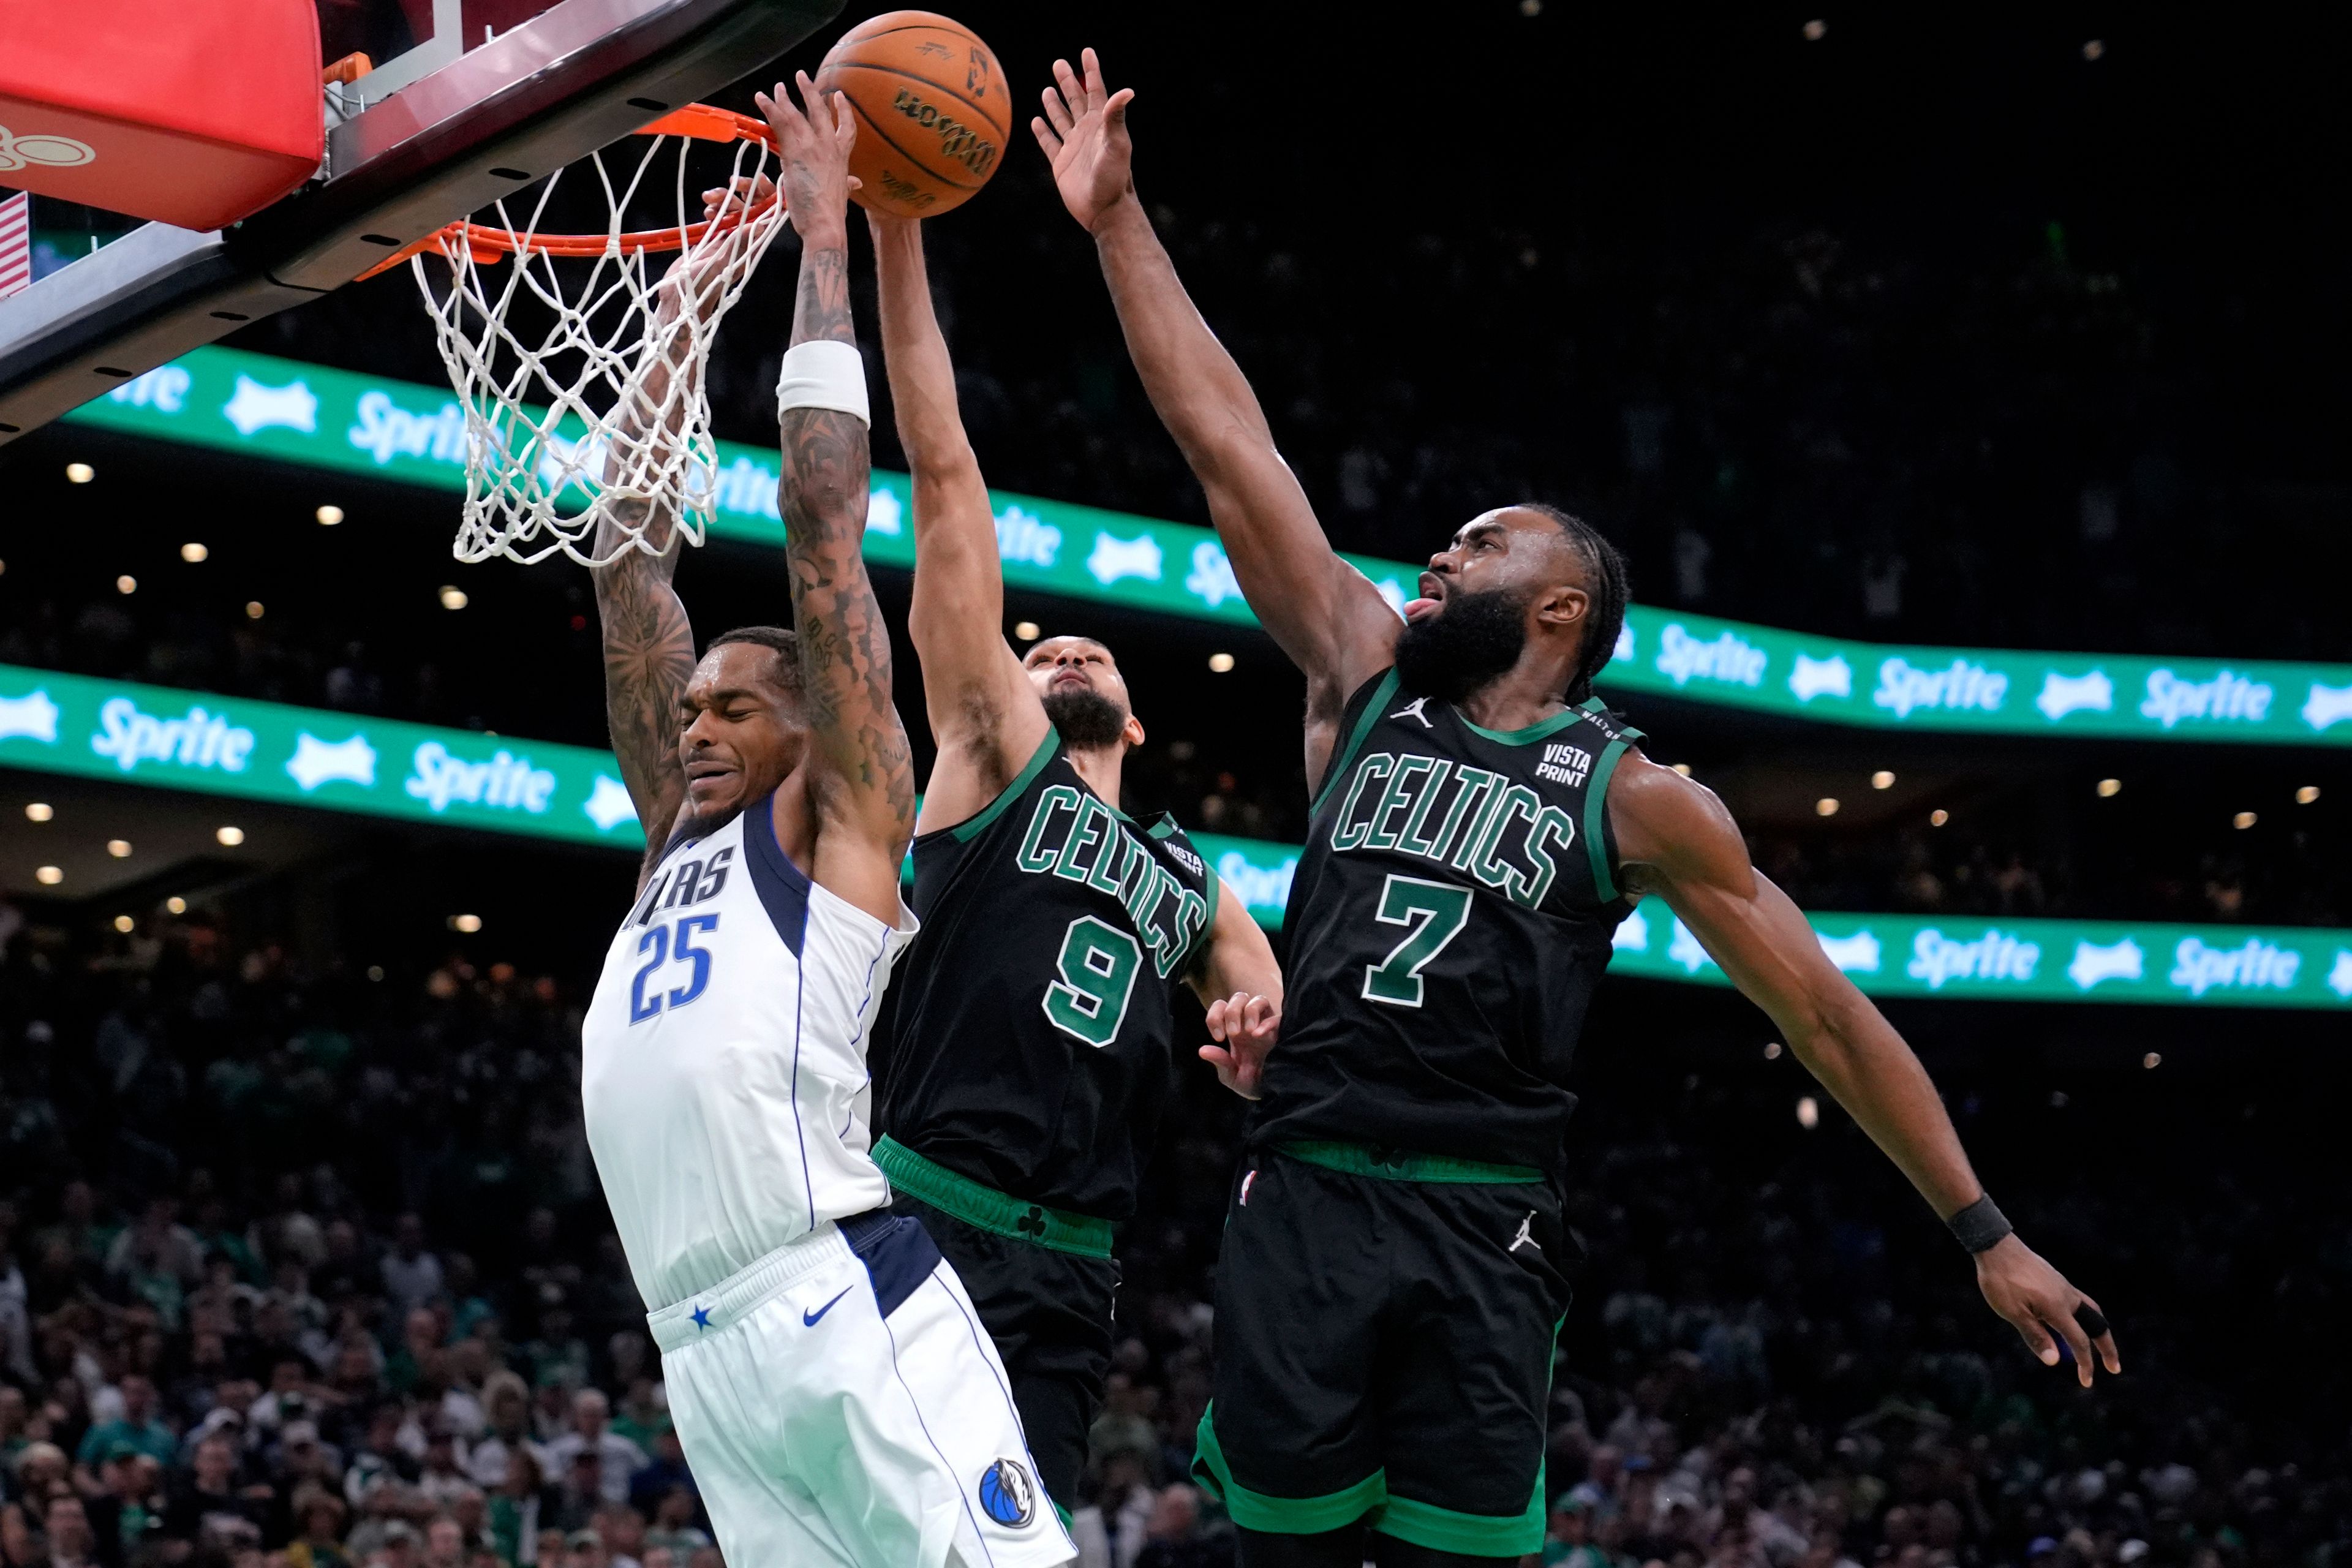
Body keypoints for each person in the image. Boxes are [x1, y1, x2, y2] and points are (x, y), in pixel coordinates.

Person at [1036, 48, 2123, 1568]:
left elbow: (1822, 1012)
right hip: (1311, 1189)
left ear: (1559, 602)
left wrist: (1985, 1230)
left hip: (1489, 1219)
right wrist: (1116, 224)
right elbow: (1232, 446)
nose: (1433, 554)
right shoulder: (1362, 675)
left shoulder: (1639, 796)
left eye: (1475, 545)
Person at [576, 73, 1069, 1568]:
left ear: (810, 716)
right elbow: (625, 572)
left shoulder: (843, 800)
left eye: (732, 704)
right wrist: (671, 330)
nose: (696, 722)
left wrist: (820, 241)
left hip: (839, 1293)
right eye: (693, 706)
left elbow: (818, 524)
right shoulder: (682, 835)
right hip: (700, 1348)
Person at [864, 207, 1284, 1524]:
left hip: (1077, 1266)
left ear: (1139, 720)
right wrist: (893, 235)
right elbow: (942, 477)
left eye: (1090, 653)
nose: (1063, 656)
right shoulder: (996, 759)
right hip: (928, 1209)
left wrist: (1258, 1017)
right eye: (1042, 652)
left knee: (1011, 1542)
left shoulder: (1184, 868)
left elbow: (1254, 971)